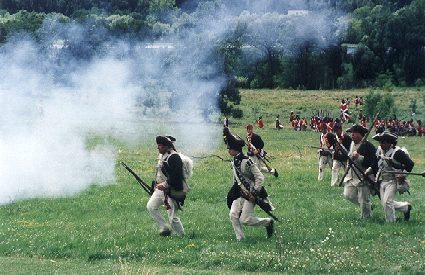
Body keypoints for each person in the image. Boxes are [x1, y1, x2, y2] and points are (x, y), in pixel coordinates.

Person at [223, 127, 274, 241]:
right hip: (240, 193)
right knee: (233, 215)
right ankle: (240, 239)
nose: (228, 151)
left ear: (235, 149)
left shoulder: (247, 161)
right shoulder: (234, 161)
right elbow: (236, 180)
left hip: (251, 193)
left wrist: (254, 192)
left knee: (245, 219)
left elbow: (260, 177)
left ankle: (267, 223)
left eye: (230, 148)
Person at [146, 136, 187, 237]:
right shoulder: (162, 156)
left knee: (172, 217)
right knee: (151, 206)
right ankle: (164, 227)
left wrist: (165, 185)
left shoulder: (174, 157)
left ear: (166, 146)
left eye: (160, 146)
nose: (158, 148)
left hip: (172, 189)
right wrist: (155, 185)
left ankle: (181, 235)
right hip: (160, 189)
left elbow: (177, 176)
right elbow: (159, 173)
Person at [373, 131, 414, 222]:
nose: (381, 144)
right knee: (385, 203)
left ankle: (391, 222)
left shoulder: (397, 153)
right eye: (380, 142)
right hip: (382, 179)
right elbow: (375, 164)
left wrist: (403, 175)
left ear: (389, 143)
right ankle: (405, 207)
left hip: (393, 180)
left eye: (384, 142)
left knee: (387, 202)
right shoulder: (379, 150)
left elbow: (410, 164)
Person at [343, 125, 378, 219]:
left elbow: (373, 162)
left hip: (363, 176)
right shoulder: (351, 144)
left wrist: (360, 158)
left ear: (360, 134)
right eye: (351, 133)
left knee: (364, 199)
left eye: (354, 133)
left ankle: (366, 218)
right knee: (348, 194)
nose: (352, 135)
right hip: (352, 175)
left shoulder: (368, 146)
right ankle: (368, 207)